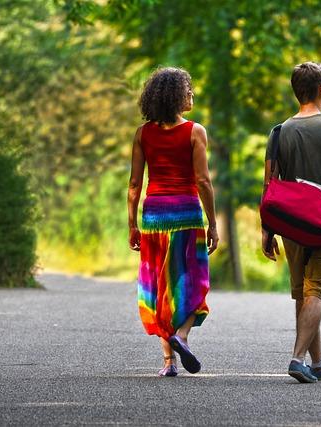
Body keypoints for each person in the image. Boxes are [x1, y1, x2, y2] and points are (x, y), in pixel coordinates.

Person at [261, 62, 321, 383]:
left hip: (291, 227)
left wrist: (268, 230)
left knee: (304, 295)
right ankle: (297, 357)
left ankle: (317, 363)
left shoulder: (279, 132)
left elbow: (269, 186)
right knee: (315, 291)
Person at [127, 67, 218, 377]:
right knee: (192, 281)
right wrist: (213, 224)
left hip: (153, 217)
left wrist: (132, 224)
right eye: (188, 90)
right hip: (187, 216)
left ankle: (168, 362)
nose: (191, 95)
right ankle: (181, 336)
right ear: (177, 97)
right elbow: (203, 180)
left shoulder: (143, 134)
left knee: (159, 285)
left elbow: (134, 185)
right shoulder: (195, 131)